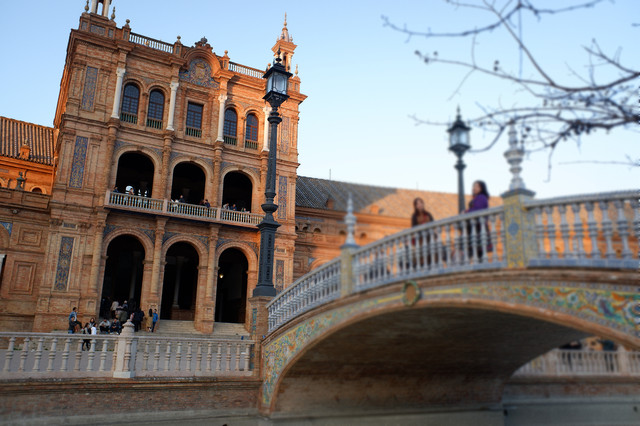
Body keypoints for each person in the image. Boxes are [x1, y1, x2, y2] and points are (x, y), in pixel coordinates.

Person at [465, 180, 492, 260]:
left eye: (477, 186)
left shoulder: (481, 197)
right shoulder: (476, 198)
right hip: (475, 227)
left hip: (479, 228)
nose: (474, 188)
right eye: (473, 186)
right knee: (477, 252)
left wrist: (465, 212)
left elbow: (477, 210)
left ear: (482, 188)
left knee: (479, 251)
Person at [410, 198, 435, 268]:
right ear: (415, 206)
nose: (420, 205)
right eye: (417, 204)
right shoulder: (414, 216)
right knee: (422, 256)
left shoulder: (428, 214)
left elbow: (434, 225)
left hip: (430, 237)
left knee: (432, 253)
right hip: (420, 239)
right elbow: (414, 229)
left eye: (421, 203)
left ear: (423, 204)